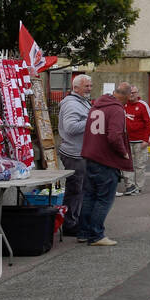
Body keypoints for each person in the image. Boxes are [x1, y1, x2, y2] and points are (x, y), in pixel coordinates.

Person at [76, 82, 132, 246]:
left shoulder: (96, 106)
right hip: (106, 159)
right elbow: (114, 136)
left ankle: (84, 232)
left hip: (91, 156)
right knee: (104, 198)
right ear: (126, 96)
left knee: (89, 196)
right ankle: (96, 235)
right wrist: (123, 152)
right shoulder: (116, 109)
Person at [57, 74, 92, 236]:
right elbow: (70, 128)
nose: (89, 89)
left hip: (79, 152)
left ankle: (74, 221)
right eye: (86, 86)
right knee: (75, 189)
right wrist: (93, 121)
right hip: (74, 153)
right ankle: (70, 224)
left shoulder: (81, 102)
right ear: (76, 88)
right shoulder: (72, 104)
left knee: (80, 189)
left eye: (90, 86)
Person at [117, 85, 150, 197]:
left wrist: (146, 140)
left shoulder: (143, 105)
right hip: (126, 141)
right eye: (130, 92)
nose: (132, 94)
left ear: (137, 93)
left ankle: (138, 187)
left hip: (139, 142)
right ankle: (130, 186)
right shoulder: (123, 105)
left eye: (134, 92)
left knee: (139, 165)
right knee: (127, 165)